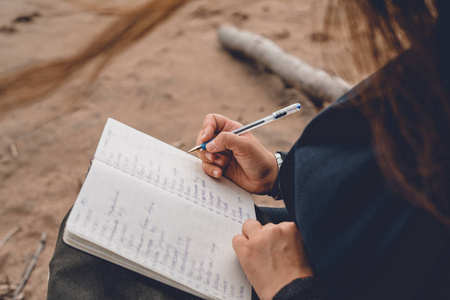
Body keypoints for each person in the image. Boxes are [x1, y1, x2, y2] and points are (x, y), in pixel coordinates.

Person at [46, 0, 450, 299]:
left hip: (316, 278)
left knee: (93, 262)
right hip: (332, 241)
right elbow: (396, 166)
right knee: (97, 217)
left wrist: (290, 287)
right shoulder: (437, 49)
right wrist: (279, 174)